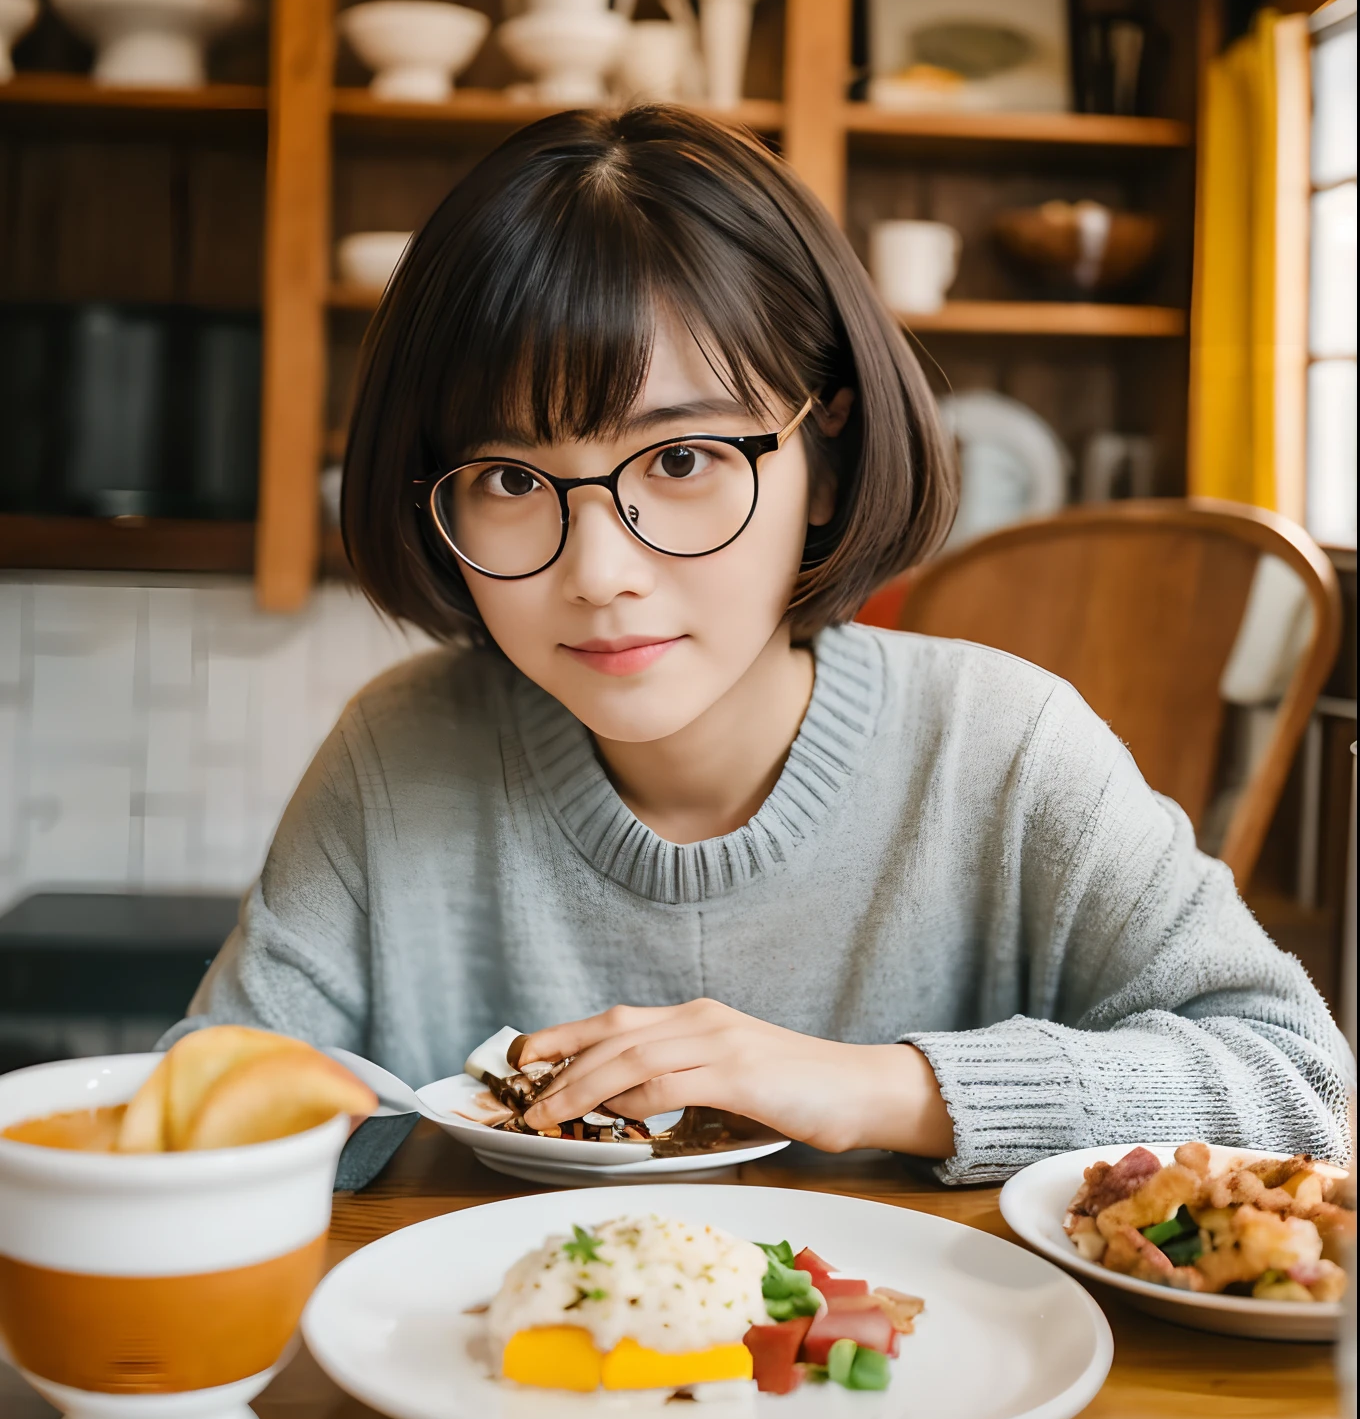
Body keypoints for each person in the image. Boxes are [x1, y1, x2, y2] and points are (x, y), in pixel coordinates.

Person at [166, 106, 1351, 1188]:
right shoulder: (398, 754)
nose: (600, 571)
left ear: (825, 455)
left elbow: (1306, 1087)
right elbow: (197, 1108)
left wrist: (870, 1082)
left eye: (680, 460)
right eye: (512, 476)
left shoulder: (999, 747)